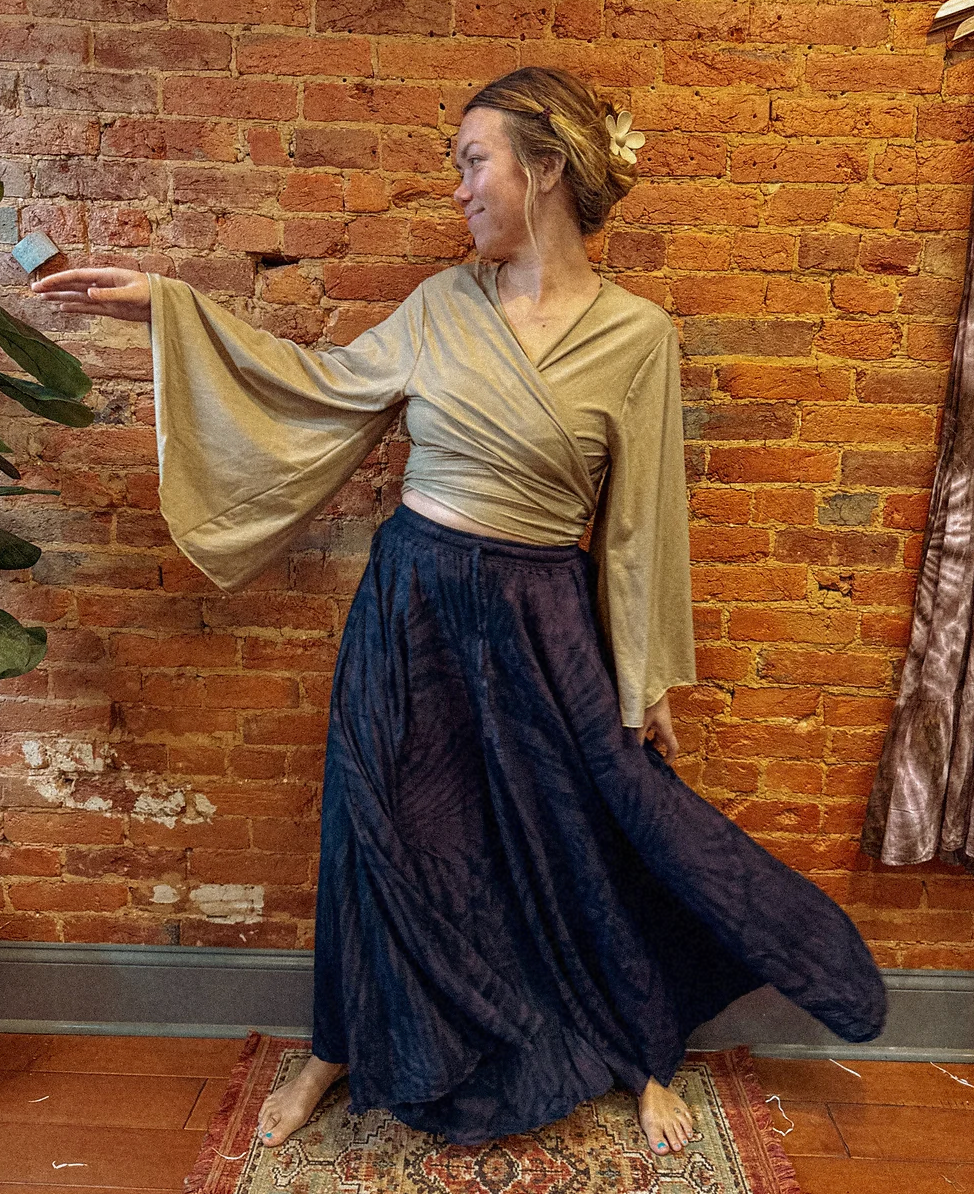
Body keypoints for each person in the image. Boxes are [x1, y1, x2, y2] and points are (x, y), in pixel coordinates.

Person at [31, 66, 886, 1159]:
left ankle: (635, 1047)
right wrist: (169, 304)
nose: (458, 188)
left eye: (472, 161)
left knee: (579, 830)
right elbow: (316, 383)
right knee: (372, 828)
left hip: (542, 618)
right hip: (413, 604)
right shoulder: (440, 306)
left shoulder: (636, 337)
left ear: (544, 170)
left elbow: (638, 527)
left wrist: (642, 679)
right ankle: (334, 1046)